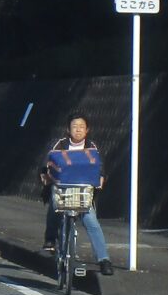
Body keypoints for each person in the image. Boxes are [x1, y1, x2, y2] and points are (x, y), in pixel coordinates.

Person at [39, 112, 114, 276]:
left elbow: (100, 167)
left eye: (81, 127)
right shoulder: (59, 145)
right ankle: (50, 238)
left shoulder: (92, 147)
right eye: (74, 126)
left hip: (83, 192)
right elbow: (48, 163)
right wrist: (45, 175)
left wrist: (101, 178)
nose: (78, 130)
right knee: (55, 204)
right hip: (63, 189)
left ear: (87, 130)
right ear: (68, 129)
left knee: (92, 223)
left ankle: (104, 260)